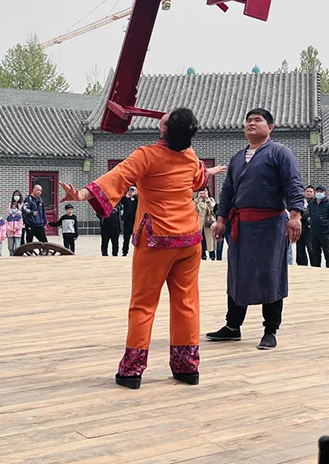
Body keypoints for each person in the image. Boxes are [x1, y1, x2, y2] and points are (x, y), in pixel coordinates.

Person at [59, 107, 225, 389]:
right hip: (189, 238)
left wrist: (82, 194)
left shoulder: (147, 155)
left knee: (143, 304)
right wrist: (208, 171)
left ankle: (132, 371)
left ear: (164, 129)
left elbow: (118, 177)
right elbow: (198, 180)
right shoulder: (190, 156)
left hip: (157, 238)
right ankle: (187, 367)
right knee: (186, 303)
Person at [206, 108, 304, 350]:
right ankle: (232, 326)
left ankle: (270, 329)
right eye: (248, 120)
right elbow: (228, 191)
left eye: (257, 120)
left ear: (270, 127)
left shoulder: (280, 153)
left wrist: (295, 216)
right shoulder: (237, 158)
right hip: (241, 225)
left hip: (270, 224)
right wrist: (221, 220)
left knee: (270, 273)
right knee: (237, 273)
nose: (251, 123)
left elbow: (293, 184)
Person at [308, 185, 329, 268]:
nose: (319, 193)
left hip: (325, 233)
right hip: (314, 232)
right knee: (316, 253)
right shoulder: (312, 204)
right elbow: (310, 214)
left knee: (327, 252)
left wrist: (327, 226)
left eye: (321, 191)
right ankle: (316, 269)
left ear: (324, 193)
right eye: (317, 191)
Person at [296, 185, 315, 266]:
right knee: (300, 248)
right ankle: (302, 265)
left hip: (310, 229)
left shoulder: (315, 203)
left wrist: (302, 215)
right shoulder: (301, 202)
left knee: (311, 248)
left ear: (314, 193)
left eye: (311, 192)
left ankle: (314, 265)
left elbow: (308, 213)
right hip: (300, 227)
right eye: (307, 191)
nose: (309, 193)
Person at [195, 188, 216, 260]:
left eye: (205, 191)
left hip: (208, 223)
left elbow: (212, 209)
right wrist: (198, 199)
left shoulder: (211, 200)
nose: (203, 193)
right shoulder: (196, 201)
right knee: (201, 240)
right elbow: (194, 209)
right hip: (200, 223)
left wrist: (207, 199)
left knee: (210, 240)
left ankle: (212, 256)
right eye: (201, 191)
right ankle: (203, 255)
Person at [120, 186, 138, 256]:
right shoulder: (126, 199)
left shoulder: (137, 199)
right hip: (127, 221)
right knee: (126, 238)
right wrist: (127, 196)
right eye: (131, 190)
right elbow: (122, 201)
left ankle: (136, 252)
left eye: (133, 190)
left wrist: (135, 195)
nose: (131, 191)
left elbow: (139, 202)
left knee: (137, 238)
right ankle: (124, 252)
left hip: (135, 221)